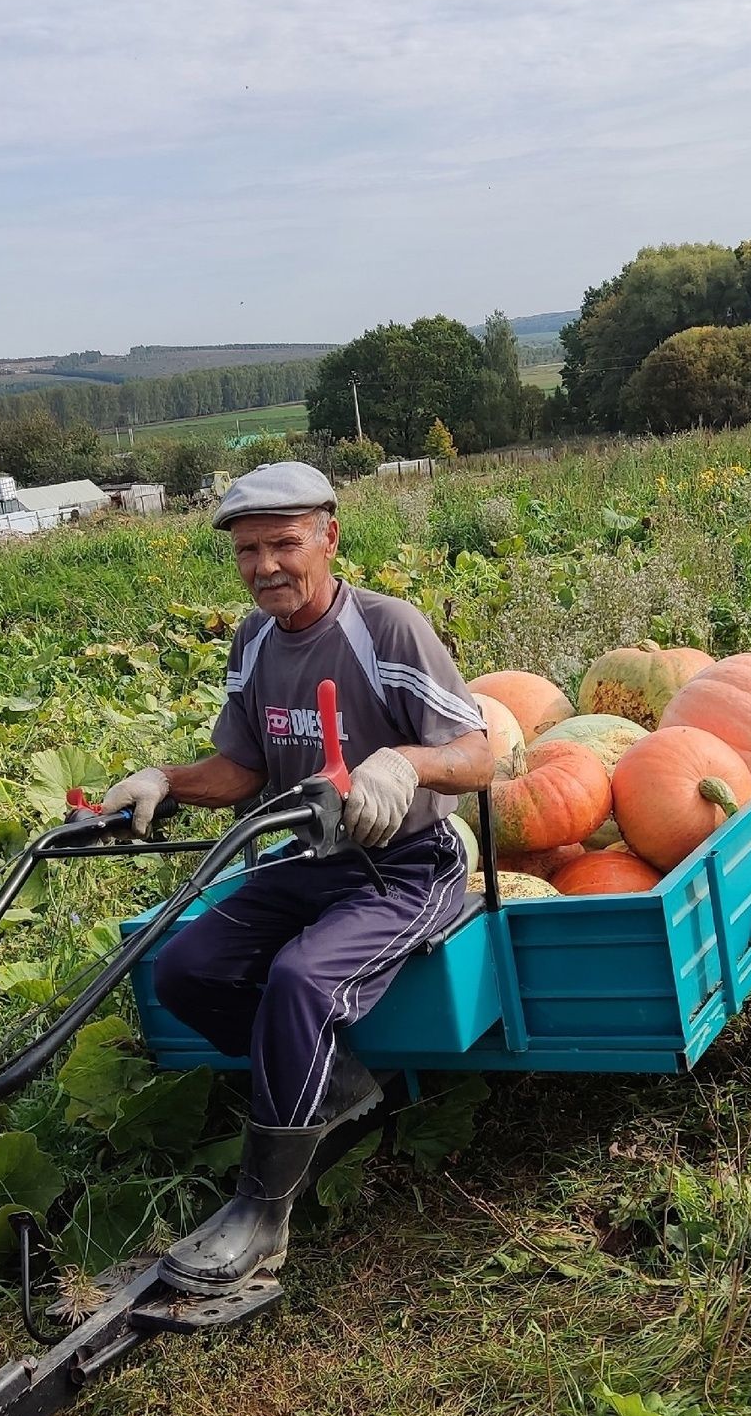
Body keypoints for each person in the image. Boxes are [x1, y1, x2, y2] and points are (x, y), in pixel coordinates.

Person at [101, 461, 494, 1294]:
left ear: (329, 536)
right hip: (312, 860)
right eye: (248, 550)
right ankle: (335, 1085)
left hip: (408, 866)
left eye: (284, 543)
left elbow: (479, 753)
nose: (266, 566)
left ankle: (264, 1213)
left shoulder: (387, 629)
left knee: (299, 979)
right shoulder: (253, 643)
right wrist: (165, 778)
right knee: (184, 968)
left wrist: (404, 763)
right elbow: (242, 768)